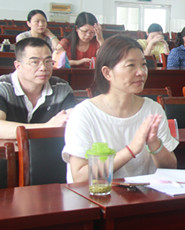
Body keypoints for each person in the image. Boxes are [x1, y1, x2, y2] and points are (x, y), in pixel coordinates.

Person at [62, 35, 178, 183]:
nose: (141, 72)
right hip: (98, 195)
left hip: (144, 194)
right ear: (107, 73)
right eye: (131, 65)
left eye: (143, 64)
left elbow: (171, 167)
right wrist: (131, 150)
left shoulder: (152, 109)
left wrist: (155, 144)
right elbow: (80, 177)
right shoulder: (84, 114)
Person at [0, 37, 74, 139]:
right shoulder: (3, 87)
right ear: (18, 66)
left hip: (49, 148)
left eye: (48, 61)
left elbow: (73, 123)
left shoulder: (62, 88)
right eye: (35, 62)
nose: (43, 68)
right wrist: (46, 127)